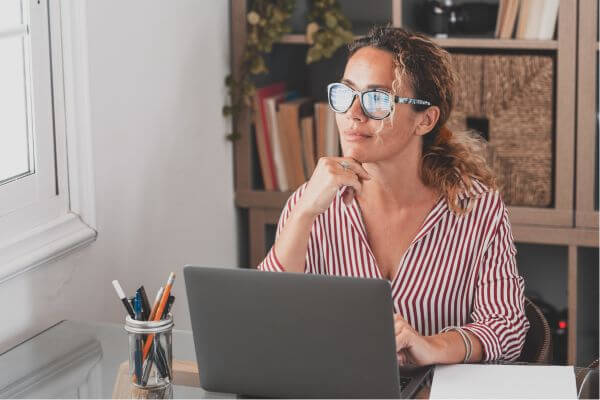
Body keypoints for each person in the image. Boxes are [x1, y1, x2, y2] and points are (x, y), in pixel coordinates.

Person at [257, 25, 530, 366]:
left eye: (376, 100)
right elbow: (265, 322)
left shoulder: (476, 208)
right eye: (346, 94)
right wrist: (303, 213)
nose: (353, 114)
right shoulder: (312, 201)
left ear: (425, 120)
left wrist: (431, 346)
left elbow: (506, 329)